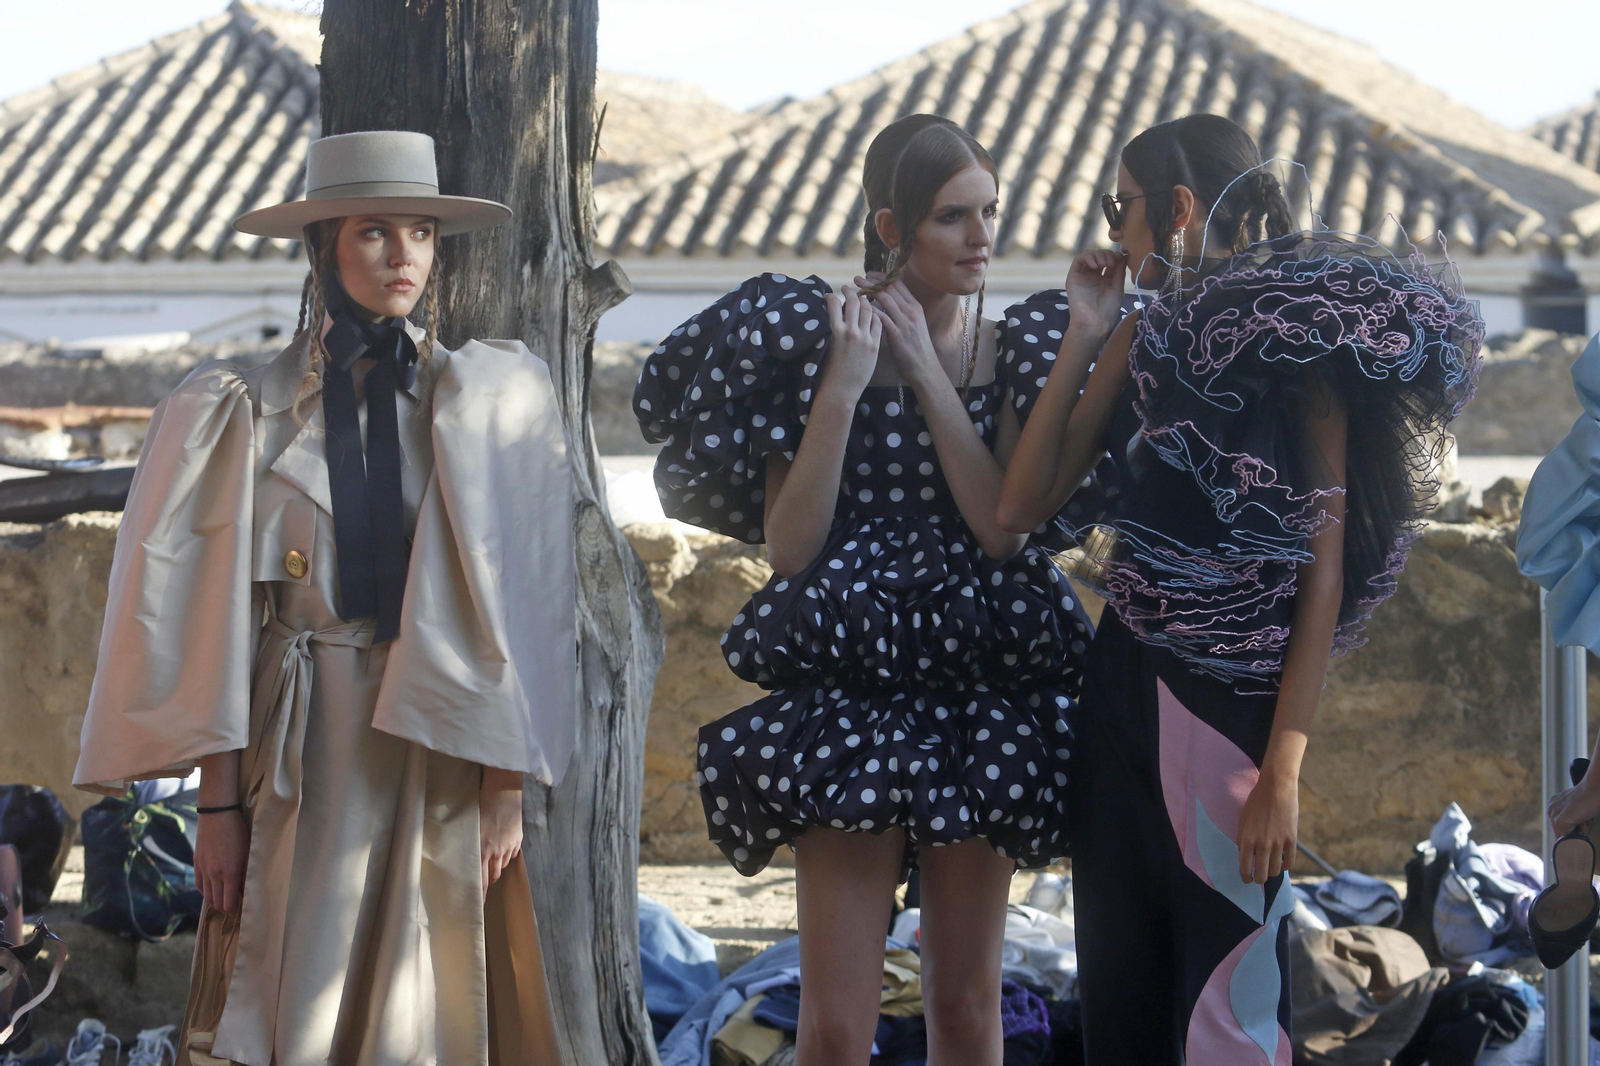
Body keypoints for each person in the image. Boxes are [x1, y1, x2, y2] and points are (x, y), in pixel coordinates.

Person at [72, 131, 576, 1066]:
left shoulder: (478, 400)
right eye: (374, 232)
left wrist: (505, 784)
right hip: (302, 739)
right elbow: (213, 627)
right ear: (323, 248)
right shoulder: (240, 411)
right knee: (285, 990)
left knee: (428, 996)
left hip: (437, 739)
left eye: (421, 232)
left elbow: (521, 600)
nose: (403, 257)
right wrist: (217, 812)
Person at [996, 114, 1482, 1063]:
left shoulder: (1305, 355)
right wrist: (1086, 333)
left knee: (1229, 1009)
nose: (1112, 232)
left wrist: (1283, 779)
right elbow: (1022, 505)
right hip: (1120, 693)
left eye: (1120, 207)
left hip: (1230, 720)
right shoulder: (1141, 339)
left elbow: (1325, 574)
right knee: (1120, 995)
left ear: (1179, 209)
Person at [633, 114, 1093, 1066]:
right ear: (892, 226)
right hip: (851, 703)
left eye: (989, 213)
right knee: (834, 1026)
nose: (982, 238)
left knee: (967, 1010)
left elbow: (1000, 528)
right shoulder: (811, 343)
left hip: (980, 693)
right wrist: (843, 387)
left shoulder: (1012, 349)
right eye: (952, 217)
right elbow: (793, 548)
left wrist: (925, 367)